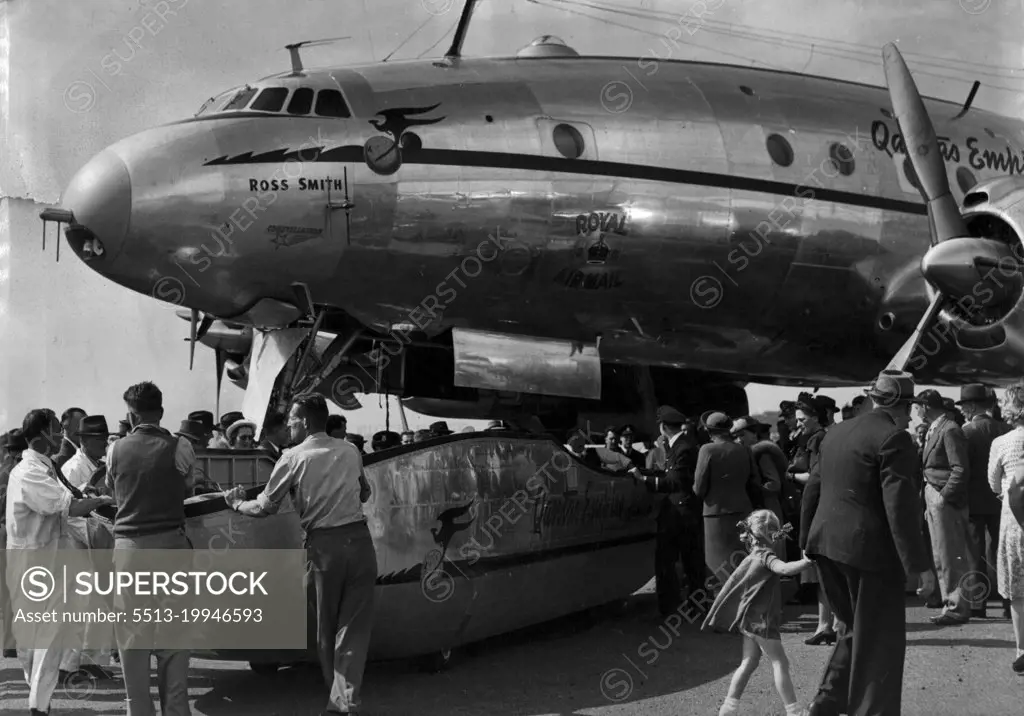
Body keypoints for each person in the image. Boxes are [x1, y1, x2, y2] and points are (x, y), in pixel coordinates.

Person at [225, 393, 377, 714]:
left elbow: (265, 507)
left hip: (325, 550)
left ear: (305, 422)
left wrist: (236, 503)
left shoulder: (292, 458)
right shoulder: (350, 450)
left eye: (292, 420)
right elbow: (365, 492)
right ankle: (345, 699)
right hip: (361, 544)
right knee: (354, 629)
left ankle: (341, 703)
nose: (288, 426)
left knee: (326, 629)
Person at [800, 370, 935, 716]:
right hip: (868, 554)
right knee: (881, 644)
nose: (911, 415)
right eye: (909, 407)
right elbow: (901, 509)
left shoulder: (835, 433)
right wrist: (919, 568)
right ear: (898, 406)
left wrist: (805, 541)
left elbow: (812, 489)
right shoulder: (894, 438)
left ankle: (827, 702)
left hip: (825, 545)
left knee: (854, 629)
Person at [6, 409, 113, 716]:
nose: (61, 437)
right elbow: (71, 506)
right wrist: (101, 502)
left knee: (46, 639)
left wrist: (88, 498)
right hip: (33, 563)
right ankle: (38, 701)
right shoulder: (29, 472)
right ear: (40, 435)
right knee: (34, 643)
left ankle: (40, 706)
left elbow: (71, 497)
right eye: (56, 430)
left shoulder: (46, 466)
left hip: (47, 562)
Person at [106, 382, 196, 716]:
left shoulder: (115, 449)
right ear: (161, 410)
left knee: (132, 640)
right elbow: (188, 486)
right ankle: (176, 710)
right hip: (172, 547)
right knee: (175, 638)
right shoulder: (181, 445)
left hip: (129, 551)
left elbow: (112, 489)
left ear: (131, 414)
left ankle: (138, 710)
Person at [702, 509, 814, 716]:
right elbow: (785, 569)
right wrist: (807, 561)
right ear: (769, 534)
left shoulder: (754, 555)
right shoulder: (767, 557)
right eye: (776, 532)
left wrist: (787, 529)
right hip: (762, 622)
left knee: (749, 662)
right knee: (780, 662)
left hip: (749, 621)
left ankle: (728, 708)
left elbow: (775, 535)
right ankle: (794, 711)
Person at [633, 407, 703, 615]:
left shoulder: (681, 448)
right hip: (685, 512)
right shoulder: (683, 446)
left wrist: (644, 480)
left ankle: (672, 607)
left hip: (679, 514)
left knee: (669, 561)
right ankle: (695, 606)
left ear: (663, 428)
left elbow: (675, 481)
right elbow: (670, 473)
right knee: (691, 563)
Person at [916, 388, 973, 625]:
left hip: (942, 498)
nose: (915, 410)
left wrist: (944, 496)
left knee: (950, 555)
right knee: (941, 555)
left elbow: (960, 468)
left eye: (917, 406)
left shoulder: (949, 429)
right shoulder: (939, 428)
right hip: (934, 495)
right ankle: (950, 603)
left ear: (926, 406)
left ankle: (956, 606)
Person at [958, 383, 1010, 619]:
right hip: (1002, 501)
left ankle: (978, 604)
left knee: (973, 554)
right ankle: (1009, 601)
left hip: (973, 501)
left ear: (971, 406)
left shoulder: (967, 432)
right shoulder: (1005, 428)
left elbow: (962, 469)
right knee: (1004, 551)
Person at [789, 401, 837, 644]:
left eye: (801, 418)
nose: (798, 423)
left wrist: (788, 476)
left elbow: (813, 479)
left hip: (818, 509)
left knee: (823, 570)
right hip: (824, 507)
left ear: (815, 418)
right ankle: (826, 624)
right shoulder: (824, 436)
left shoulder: (818, 439)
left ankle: (827, 624)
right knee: (824, 571)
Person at [695, 412, 759, 590]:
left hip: (715, 515)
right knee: (741, 564)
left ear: (709, 431)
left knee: (719, 570)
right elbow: (754, 481)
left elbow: (699, 487)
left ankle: (723, 610)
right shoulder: (744, 450)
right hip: (743, 510)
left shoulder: (707, 450)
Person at [985, 384, 1024, 674]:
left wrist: (1005, 492)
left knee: (1018, 589)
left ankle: (1022, 648)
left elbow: (993, 483)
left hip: (1015, 518)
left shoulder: (1001, 442)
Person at [732, 417, 787, 555]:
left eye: (742, 435)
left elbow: (774, 484)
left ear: (754, 434)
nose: (739, 440)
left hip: (768, 506)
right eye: (736, 437)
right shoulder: (749, 453)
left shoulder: (761, 454)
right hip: (761, 507)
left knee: (773, 550)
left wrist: (756, 489)